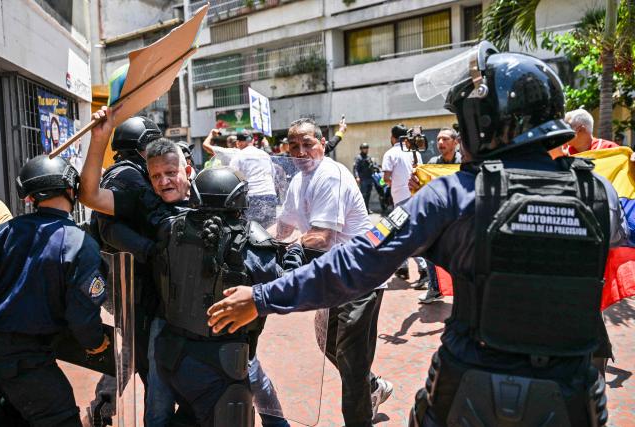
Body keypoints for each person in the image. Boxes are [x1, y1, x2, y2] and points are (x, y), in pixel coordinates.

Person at [207, 42, 629, 427]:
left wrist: (262, 297)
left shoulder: (453, 195)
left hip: (471, 393)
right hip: (575, 398)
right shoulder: (600, 193)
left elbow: (357, 261)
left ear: (490, 121)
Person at [79, 111, 289, 427]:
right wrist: (98, 139)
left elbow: (268, 277)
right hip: (168, 324)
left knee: (242, 388)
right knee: (159, 406)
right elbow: (92, 197)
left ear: (188, 171)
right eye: (156, 175)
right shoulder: (155, 213)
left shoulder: (209, 202)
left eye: (171, 172)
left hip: (219, 331)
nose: (164, 180)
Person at [276, 118, 392, 426]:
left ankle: (360, 414)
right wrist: (262, 243)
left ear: (322, 145)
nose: (301, 152)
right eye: (294, 146)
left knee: (351, 359)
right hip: (332, 275)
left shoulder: (329, 175)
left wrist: (290, 249)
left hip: (360, 274)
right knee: (330, 344)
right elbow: (285, 225)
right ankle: (372, 386)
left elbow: (321, 236)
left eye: (308, 144)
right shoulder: (298, 180)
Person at [0, 155, 109, 427]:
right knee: (61, 419)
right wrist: (95, 343)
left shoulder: (5, 232)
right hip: (28, 359)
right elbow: (82, 314)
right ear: (72, 190)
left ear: (30, 197)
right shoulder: (79, 243)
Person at [88, 116, 175, 426]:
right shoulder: (128, 177)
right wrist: (154, 251)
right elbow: (110, 229)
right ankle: (104, 408)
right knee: (147, 360)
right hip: (133, 286)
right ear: (143, 145)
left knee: (131, 352)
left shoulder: (124, 173)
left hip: (129, 285)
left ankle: (102, 407)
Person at [418, 127, 463, 303]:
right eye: (438, 140)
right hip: (440, 218)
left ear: (456, 142)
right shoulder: (433, 163)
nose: (440, 143)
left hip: (461, 218)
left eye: (445, 139)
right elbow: (424, 190)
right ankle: (435, 288)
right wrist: (415, 183)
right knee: (429, 250)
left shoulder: (465, 162)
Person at [382, 124, 428, 287]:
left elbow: (386, 178)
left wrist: (390, 183)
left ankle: (423, 269)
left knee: (405, 235)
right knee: (403, 233)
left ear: (393, 137)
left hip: (401, 199)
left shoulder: (390, 153)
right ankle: (403, 267)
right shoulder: (414, 152)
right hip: (417, 196)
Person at [230, 130, 278, 228]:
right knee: (269, 230)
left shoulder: (238, 156)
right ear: (252, 141)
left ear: (238, 142)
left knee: (252, 230)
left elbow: (233, 178)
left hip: (252, 197)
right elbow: (273, 174)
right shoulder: (265, 154)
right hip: (269, 195)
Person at [353, 143, 377, 212]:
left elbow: (372, 166)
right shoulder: (358, 158)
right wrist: (357, 177)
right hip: (363, 179)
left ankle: (367, 208)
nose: (366, 150)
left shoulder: (368, 157)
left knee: (368, 195)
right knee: (363, 195)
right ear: (361, 149)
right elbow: (355, 168)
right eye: (364, 148)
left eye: (367, 148)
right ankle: (362, 210)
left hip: (369, 178)